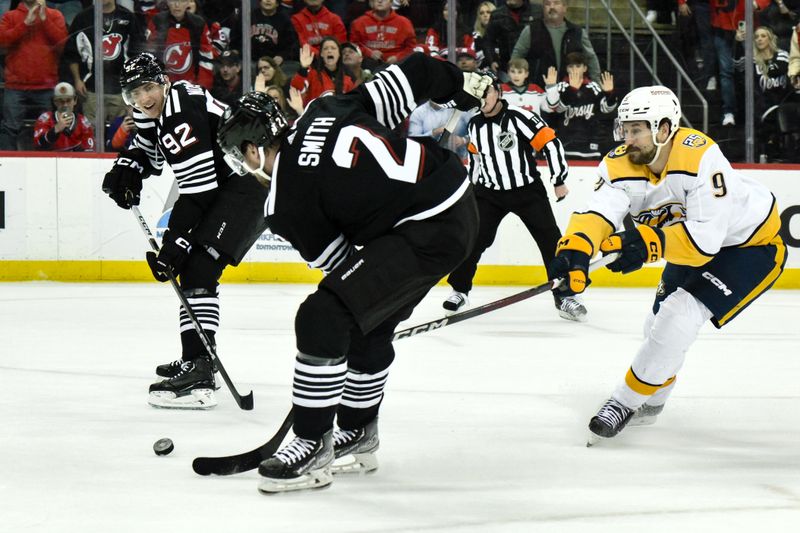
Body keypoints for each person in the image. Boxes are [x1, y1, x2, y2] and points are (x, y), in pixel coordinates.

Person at [215, 52, 492, 493]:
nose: (243, 167)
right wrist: (458, 86)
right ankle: (359, 431)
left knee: (322, 316)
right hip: (453, 195)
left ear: (252, 149)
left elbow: (343, 266)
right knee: (363, 315)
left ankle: (311, 441)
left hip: (430, 228)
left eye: (238, 157)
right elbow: (418, 71)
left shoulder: (284, 203)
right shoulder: (324, 108)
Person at [549, 85, 786, 444]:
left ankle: (623, 402)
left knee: (679, 316)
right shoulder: (619, 163)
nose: (627, 139)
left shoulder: (701, 157)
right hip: (685, 244)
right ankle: (653, 400)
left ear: (663, 128)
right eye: (624, 130)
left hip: (749, 246)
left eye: (636, 130)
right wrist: (576, 251)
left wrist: (646, 245)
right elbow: (599, 211)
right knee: (656, 325)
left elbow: (705, 242)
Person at [100, 52, 269, 410]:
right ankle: (196, 356)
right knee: (194, 269)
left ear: (162, 81)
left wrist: (174, 241)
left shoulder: (180, 112)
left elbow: (199, 191)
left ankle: (199, 366)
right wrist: (127, 168)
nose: (143, 99)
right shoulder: (158, 109)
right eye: (135, 94)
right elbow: (145, 149)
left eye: (148, 88)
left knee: (199, 268)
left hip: (244, 189)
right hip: (226, 189)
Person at [442, 72, 585, 322]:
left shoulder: (520, 116)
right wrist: (471, 189)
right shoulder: (475, 124)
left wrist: (559, 179)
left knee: (550, 241)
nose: (482, 98)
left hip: (526, 190)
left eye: (486, 92)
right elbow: (476, 159)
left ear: (497, 92)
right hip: (488, 193)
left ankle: (566, 295)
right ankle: (460, 290)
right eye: (478, 94)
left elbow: (550, 144)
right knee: (472, 239)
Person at [0, 0, 68, 151]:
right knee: (9, 129)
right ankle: (6, 167)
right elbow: (2, 42)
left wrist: (45, 20)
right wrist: (25, 23)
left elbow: (63, 44)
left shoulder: (54, 15)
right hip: (16, 86)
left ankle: (50, 165)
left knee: (49, 128)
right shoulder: (10, 16)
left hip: (46, 86)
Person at [64, 0, 145, 123]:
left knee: (118, 132)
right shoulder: (83, 18)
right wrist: (77, 80)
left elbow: (137, 53)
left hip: (119, 89)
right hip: (90, 89)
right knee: (92, 133)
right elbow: (72, 52)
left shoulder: (127, 17)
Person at [733, 24, 792, 160]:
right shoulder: (752, 59)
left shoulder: (782, 55)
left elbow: (778, 69)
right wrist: (738, 43)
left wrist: (757, 63)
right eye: (756, 37)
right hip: (762, 109)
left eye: (763, 36)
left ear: (770, 39)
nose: (759, 39)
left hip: (783, 105)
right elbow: (737, 66)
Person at [545, 52, 618, 160]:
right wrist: (571, 90)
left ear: (585, 68)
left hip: (589, 145)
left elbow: (606, 109)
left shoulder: (593, 87)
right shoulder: (561, 87)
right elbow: (556, 108)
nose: (574, 69)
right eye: (571, 66)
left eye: (578, 66)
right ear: (566, 69)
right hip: (566, 143)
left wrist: (609, 94)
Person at [512, 0, 602, 86]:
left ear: (565, 7)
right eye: (547, 4)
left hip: (571, 90)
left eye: (556, 3)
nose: (552, 7)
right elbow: (517, 57)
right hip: (539, 90)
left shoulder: (577, 32)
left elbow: (591, 59)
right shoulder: (531, 30)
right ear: (543, 8)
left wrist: (597, 84)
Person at [145, 0, 215, 89]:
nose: (177, 5)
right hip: (162, 84)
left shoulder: (198, 23)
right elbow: (149, 53)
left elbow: (206, 57)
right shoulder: (157, 21)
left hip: (191, 85)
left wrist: (203, 86)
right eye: (173, 1)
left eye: (182, 1)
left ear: (188, 3)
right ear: (167, 2)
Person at [349, 0, 417, 66]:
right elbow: (353, 46)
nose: (380, 1)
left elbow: (411, 47)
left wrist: (397, 57)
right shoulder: (358, 23)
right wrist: (369, 53)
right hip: (367, 63)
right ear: (372, 2)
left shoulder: (404, 23)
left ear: (391, 2)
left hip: (398, 64)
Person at [33, 81, 95, 151]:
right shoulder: (45, 119)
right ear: (55, 102)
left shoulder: (83, 121)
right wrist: (56, 130)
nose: (65, 105)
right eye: (61, 101)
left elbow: (89, 150)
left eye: (68, 100)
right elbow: (38, 144)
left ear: (75, 100)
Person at [291, 38, 355, 105]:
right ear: (321, 54)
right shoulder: (312, 74)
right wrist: (303, 68)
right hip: (314, 114)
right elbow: (295, 89)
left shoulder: (348, 80)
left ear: (339, 54)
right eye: (325, 48)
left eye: (333, 48)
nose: (329, 51)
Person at [484, 0, 541, 75]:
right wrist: (492, 60)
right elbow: (489, 41)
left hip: (534, 65)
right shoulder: (497, 14)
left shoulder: (538, 11)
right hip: (507, 67)